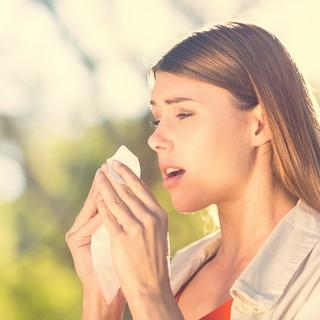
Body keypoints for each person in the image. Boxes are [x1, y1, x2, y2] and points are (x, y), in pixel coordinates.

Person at [66, 21, 320, 320]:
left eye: (183, 114)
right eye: (156, 120)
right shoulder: (177, 272)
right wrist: (103, 300)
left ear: (260, 125)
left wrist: (150, 297)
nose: (155, 139)